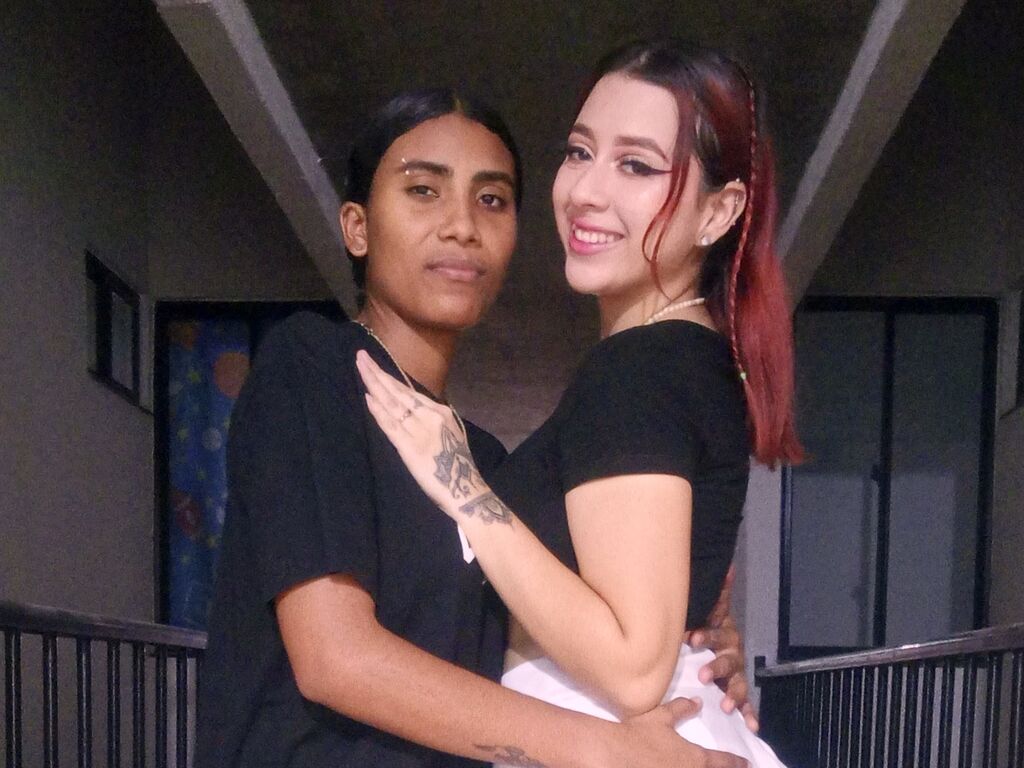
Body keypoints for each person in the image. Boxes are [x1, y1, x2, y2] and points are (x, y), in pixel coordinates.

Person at [196, 87, 752, 768]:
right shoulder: (315, 369)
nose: (462, 225)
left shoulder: (484, 463)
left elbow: (569, 635)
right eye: (423, 190)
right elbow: (336, 658)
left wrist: (701, 652)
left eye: (491, 199)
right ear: (357, 227)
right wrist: (610, 749)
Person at [356, 40, 802, 767]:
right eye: (579, 152)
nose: (586, 191)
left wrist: (463, 488)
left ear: (719, 212)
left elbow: (632, 667)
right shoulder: (690, 358)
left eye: (636, 165)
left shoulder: (639, 368)